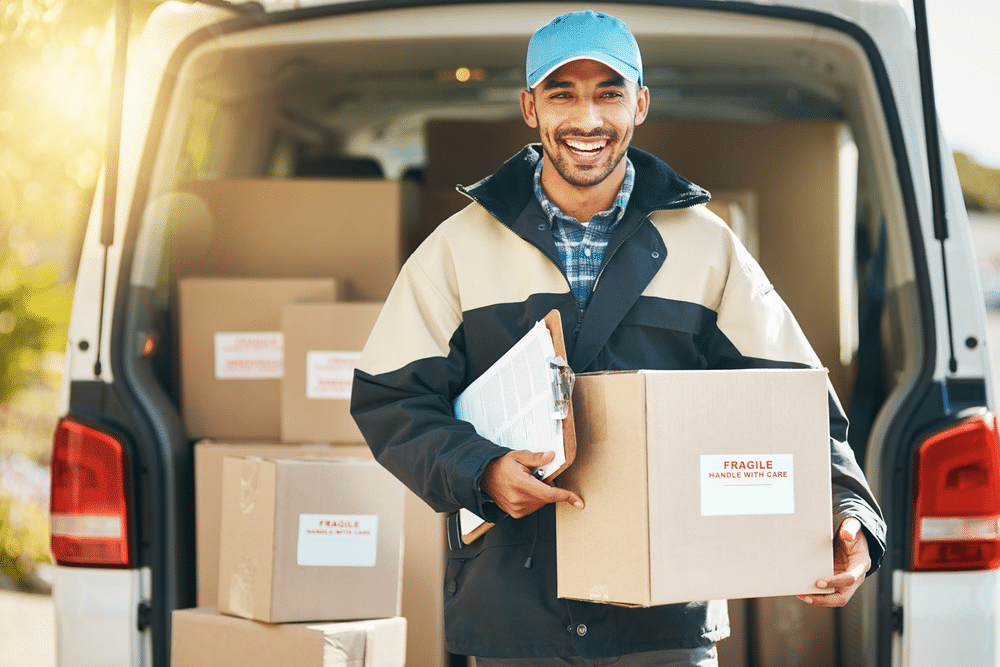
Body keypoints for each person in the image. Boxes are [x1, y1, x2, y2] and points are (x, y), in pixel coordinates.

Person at [351, 10, 886, 666]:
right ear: (529, 107)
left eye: (609, 92)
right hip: (513, 620)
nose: (587, 119)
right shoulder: (457, 250)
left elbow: (793, 402)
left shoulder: (707, 247)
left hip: (663, 619)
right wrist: (480, 470)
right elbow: (388, 398)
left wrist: (845, 507)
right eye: (562, 93)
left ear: (641, 103)